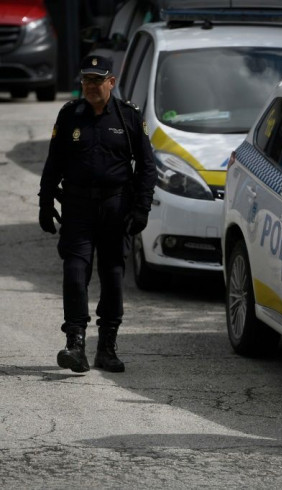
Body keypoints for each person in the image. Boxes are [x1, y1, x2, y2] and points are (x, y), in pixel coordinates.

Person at [38, 55, 156, 374]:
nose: (90, 86)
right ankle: (75, 344)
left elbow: (147, 167)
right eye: (86, 80)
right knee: (75, 273)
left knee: (113, 276)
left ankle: (107, 347)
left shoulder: (128, 117)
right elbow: (54, 163)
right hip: (77, 207)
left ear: (111, 83)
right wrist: (45, 202)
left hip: (116, 208)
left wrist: (142, 208)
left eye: (97, 80)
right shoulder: (69, 115)